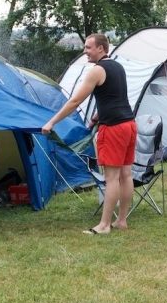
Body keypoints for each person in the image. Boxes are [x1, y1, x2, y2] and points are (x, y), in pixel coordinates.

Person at [42, 34, 136, 235]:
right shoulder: (118, 67)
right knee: (126, 175)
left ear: (100, 48)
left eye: (88, 47)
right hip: (129, 124)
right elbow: (113, 97)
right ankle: (121, 221)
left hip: (113, 128)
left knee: (112, 178)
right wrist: (96, 117)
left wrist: (52, 122)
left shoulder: (97, 70)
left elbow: (75, 101)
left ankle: (104, 225)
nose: (85, 51)